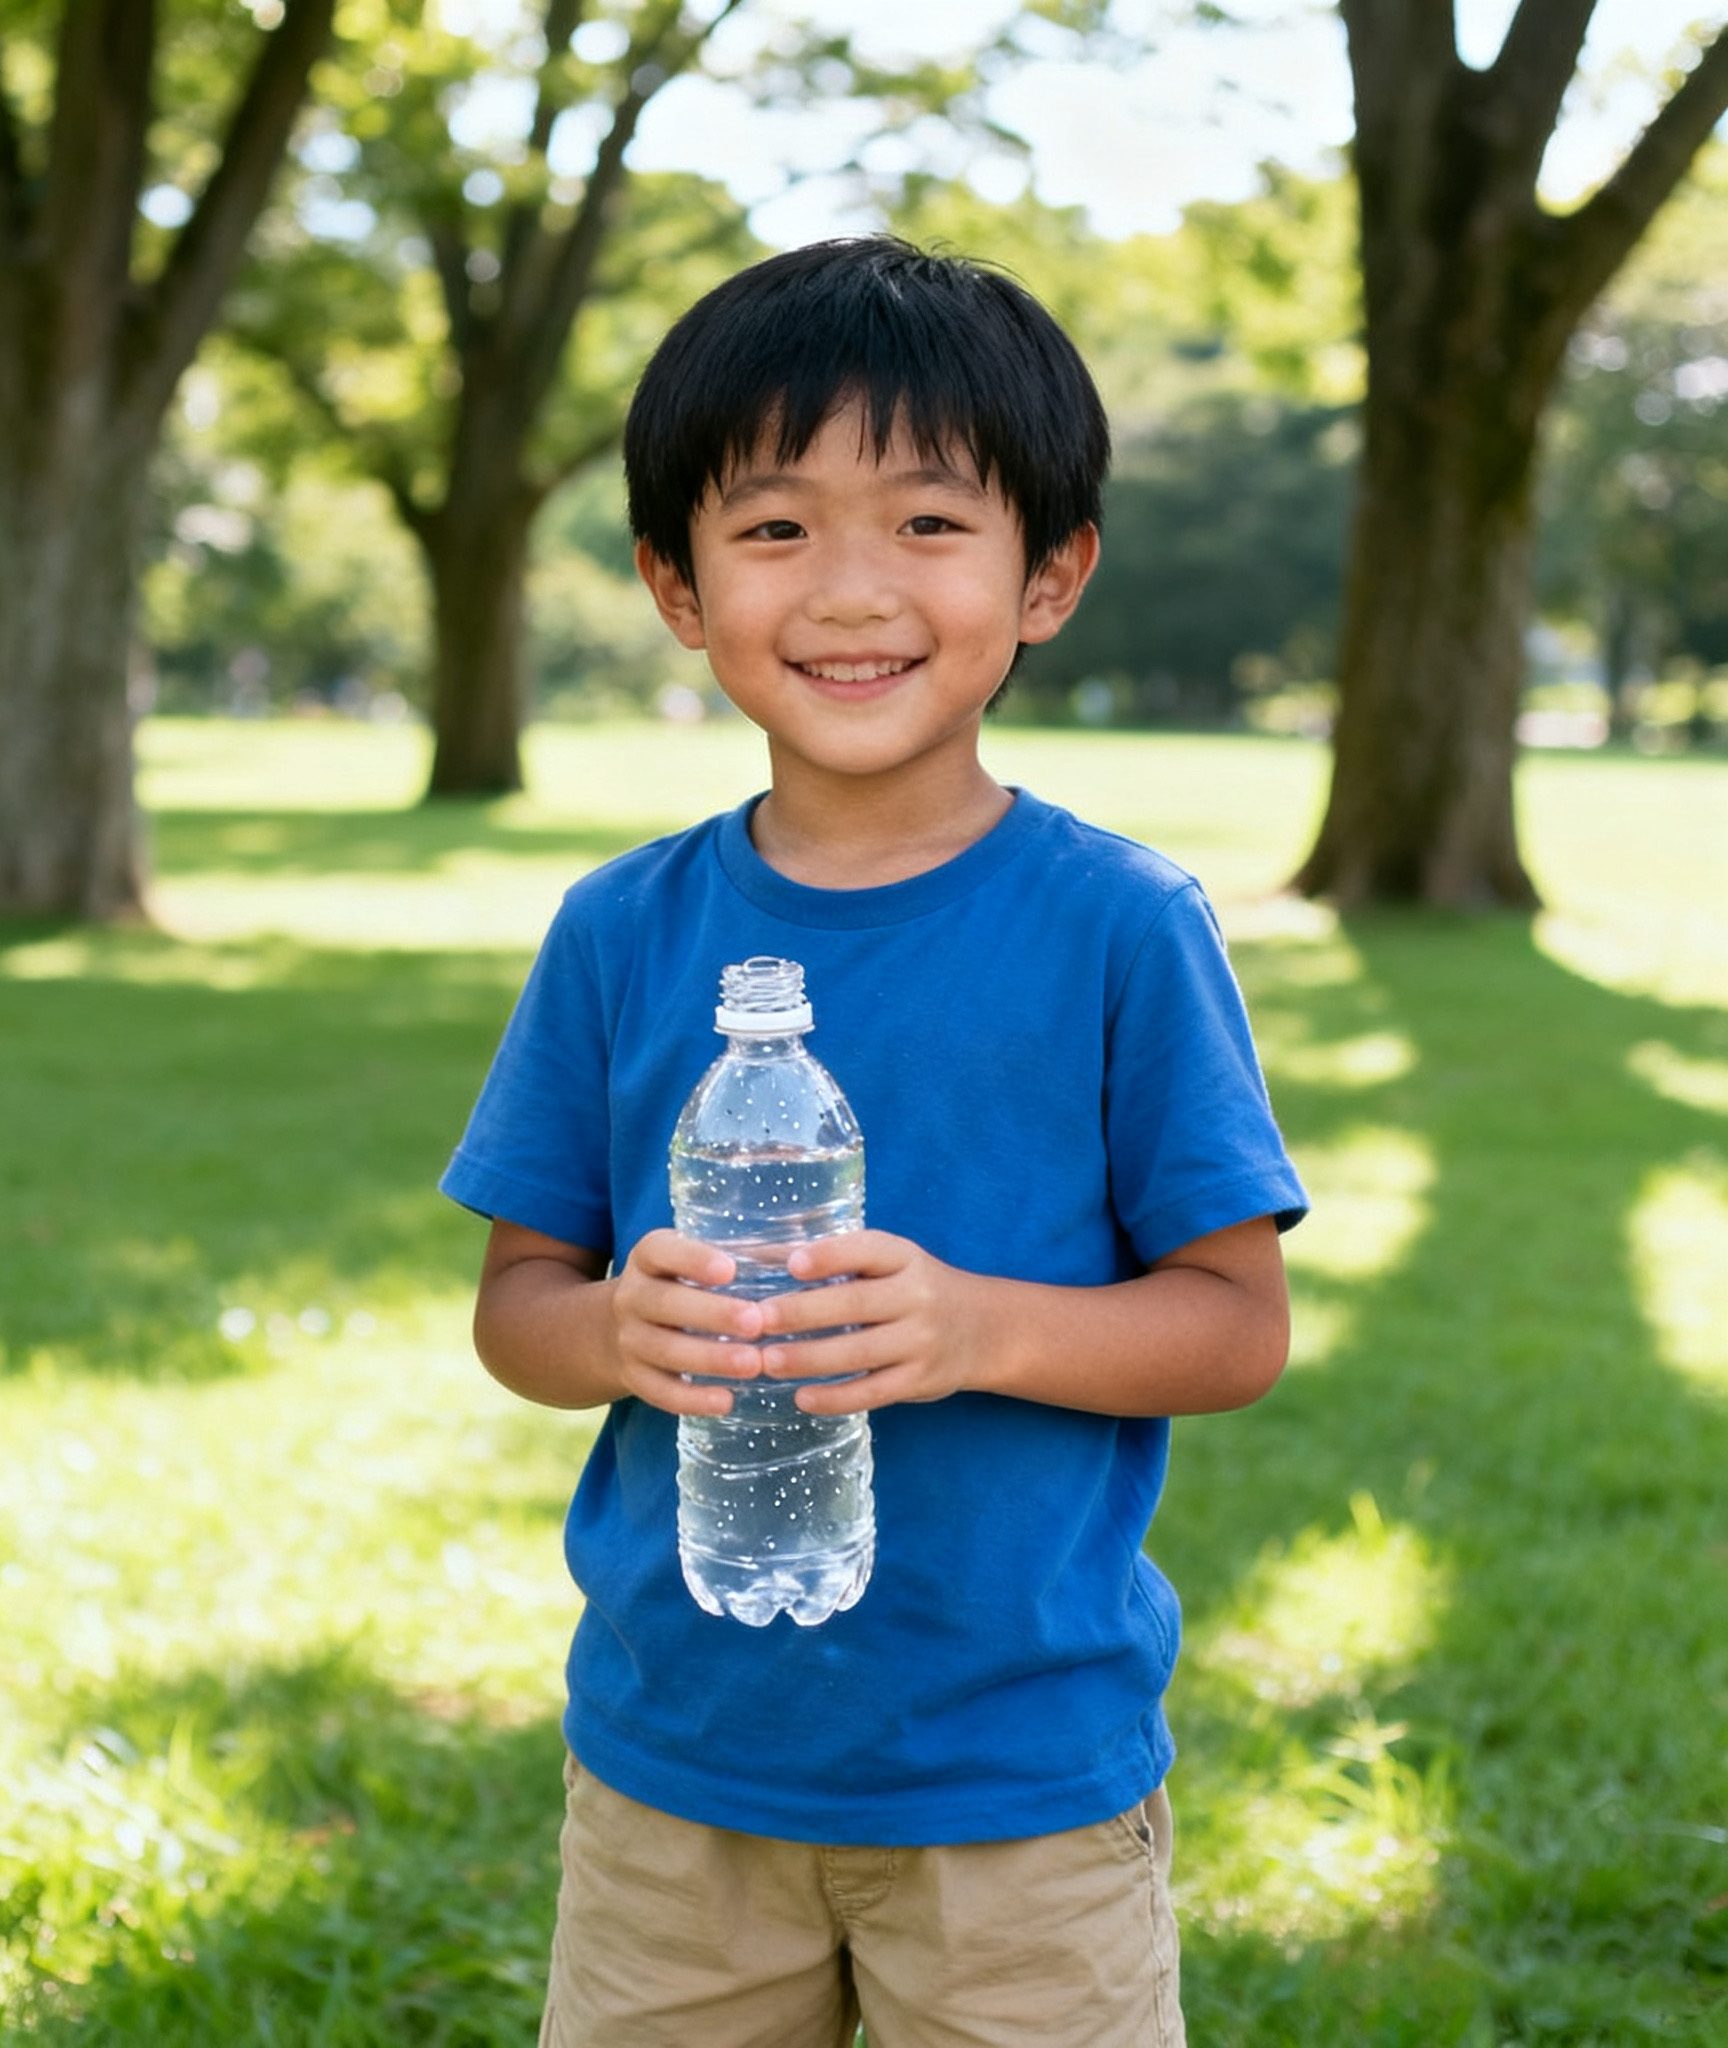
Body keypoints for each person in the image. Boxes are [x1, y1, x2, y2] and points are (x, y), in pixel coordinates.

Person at [440, 236, 1308, 2047]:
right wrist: (608, 1331)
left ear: (1049, 574)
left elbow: (1233, 1326)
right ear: (676, 587)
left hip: (1018, 1780)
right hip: (680, 1763)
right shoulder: (622, 929)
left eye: (927, 523)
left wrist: (981, 1330)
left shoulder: (1120, 926)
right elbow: (520, 1300)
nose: (849, 590)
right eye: (772, 530)